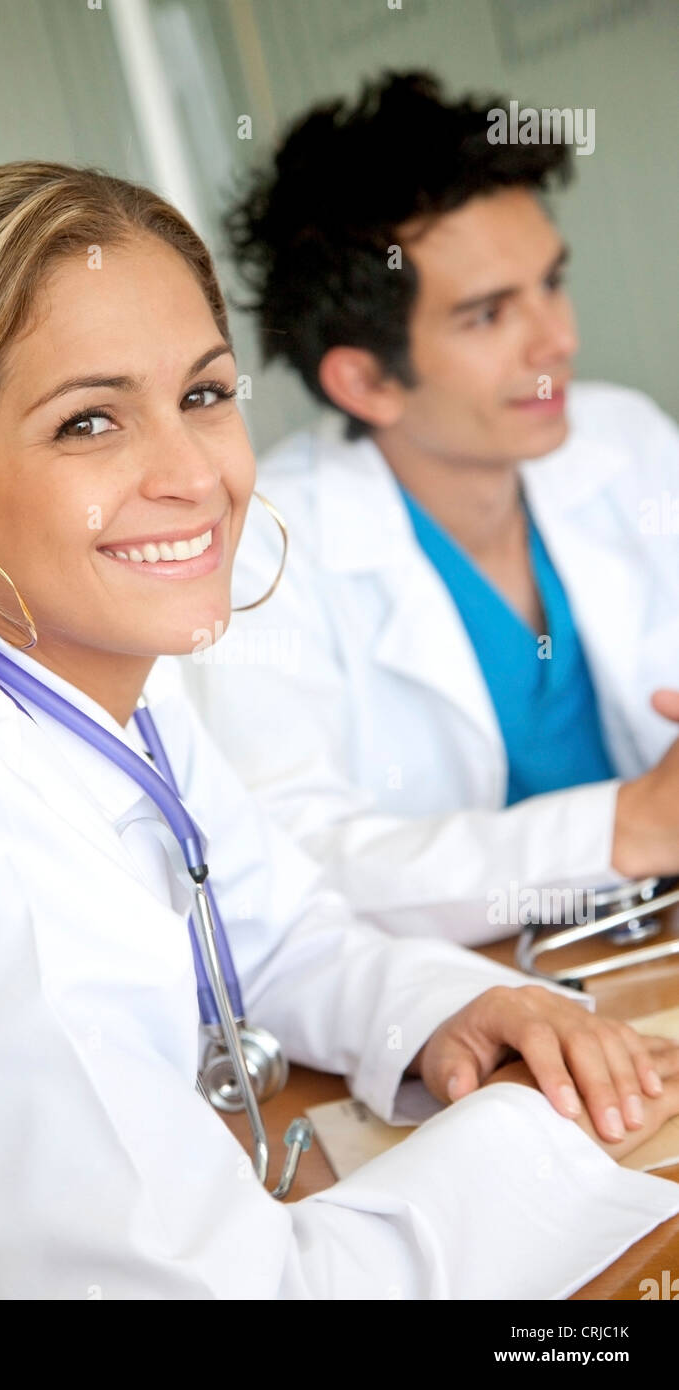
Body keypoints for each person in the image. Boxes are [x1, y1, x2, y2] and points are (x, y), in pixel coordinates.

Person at [0, 160, 679, 1302]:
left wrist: (447, 1007)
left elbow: (270, 923)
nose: (191, 475)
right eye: (88, 421)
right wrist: (541, 1135)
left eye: (204, 395)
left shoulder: (41, 640)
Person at [184, 70, 679, 945]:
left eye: (550, 284)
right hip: (474, 1009)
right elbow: (297, 861)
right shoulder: (262, 550)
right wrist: (627, 824)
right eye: (489, 316)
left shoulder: (627, 443)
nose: (557, 340)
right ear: (366, 379)